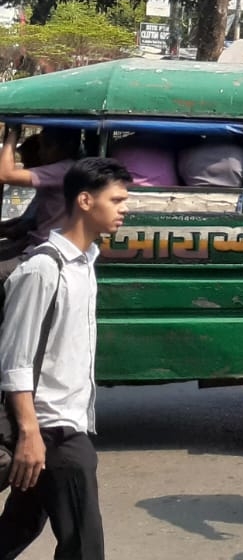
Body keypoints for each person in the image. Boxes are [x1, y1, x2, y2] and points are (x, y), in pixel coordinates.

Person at [0, 158, 131, 560]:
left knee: (17, 529)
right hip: (53, 432)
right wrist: (30, 434)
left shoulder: (85, 264)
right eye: (118, 200)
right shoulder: (43, 269)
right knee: (85, 547)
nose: (125, 208)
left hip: (63, 426)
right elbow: (15, 360)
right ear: (86, 201)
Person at [0, 127, 82, 254]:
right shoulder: (64, 171)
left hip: (47, 247)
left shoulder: (63, 170)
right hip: (38, 242)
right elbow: (27, 222)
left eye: (46, 147)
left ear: (68, 147)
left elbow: (4, 174)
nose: (40, 153)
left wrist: (14, 132)